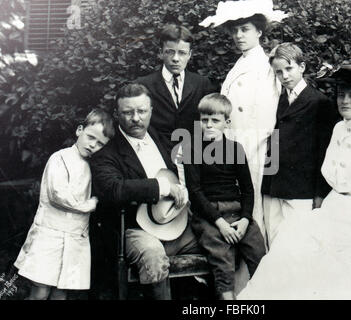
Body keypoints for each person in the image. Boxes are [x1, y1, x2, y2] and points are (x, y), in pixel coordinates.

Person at [237, 65, 351, 299]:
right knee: (290, 241)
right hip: (334, 208)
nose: (345, 101)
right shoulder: (338, 128)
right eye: (341, 95)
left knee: (339, 259)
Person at [89, 83, 201, 300]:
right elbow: (114, 189)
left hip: (177, 223)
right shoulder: (107, 153)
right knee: (153, 255)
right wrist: (163, 187)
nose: (136, 118)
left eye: (141, 111)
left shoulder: (160, 138)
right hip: (136, 229)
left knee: (220, 242)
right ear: (117, 114)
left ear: (151, 110)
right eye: (128, 112)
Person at [199, 0, 288, 241]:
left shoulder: (266, 66)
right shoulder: (241, 63)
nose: (239, 35)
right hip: (236, 147)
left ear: (259, 31)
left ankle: (257, 273)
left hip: (254, 149)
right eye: (235, 30)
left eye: (245, 29)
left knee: (255, 209)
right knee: (240, 209)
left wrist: (251, 147)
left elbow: (267, 115)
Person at [14, 108, 114, 300]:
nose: (93, 145)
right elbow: (57, 194)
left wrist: (97, 200)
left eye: (101, 143)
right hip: (50, 235)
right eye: (91, 137)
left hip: (75, 238)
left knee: (61, 293)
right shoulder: (60, 158)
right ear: (79, 130)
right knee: (40, 292)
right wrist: (88, 205)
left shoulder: (93, 166)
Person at [184, 93, 266, 300]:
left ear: (226, 123)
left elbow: (248, 189)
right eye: (204, 120)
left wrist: (246, 220)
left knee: (259, 254)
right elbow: (195, 192)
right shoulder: (191, 149)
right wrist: (220, 223)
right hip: (209, 215)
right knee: (222, 262)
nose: (209, 125)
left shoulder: (235, 149)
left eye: (215, 120)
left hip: (237, 213)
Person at [261, 43, 337, 246]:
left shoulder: (319, 102)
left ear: (302, 67)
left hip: (301, 189)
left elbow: (325, 151)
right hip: (273, 185)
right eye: (278, 72)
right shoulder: (276, 100)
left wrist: (320, 193)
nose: (284, 76)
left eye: (289, 69)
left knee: (299, 245)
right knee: (274, 244)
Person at [135, 23, 216, 162]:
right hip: (157, 158)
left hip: (195, 160)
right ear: (161, 52)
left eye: (182, 53)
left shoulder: (202, 84)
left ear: (190, 54)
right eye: (170, 51)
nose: (176, 58)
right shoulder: (144, 85)